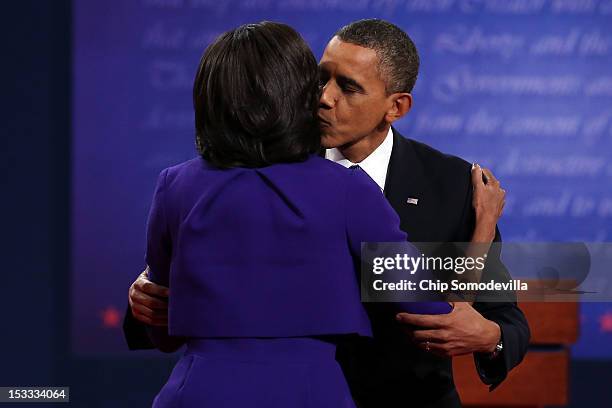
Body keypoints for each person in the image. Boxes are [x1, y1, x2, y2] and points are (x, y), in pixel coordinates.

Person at [125, 19, 527, 408]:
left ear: (396, 106)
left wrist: (491, 337)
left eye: (348, 87)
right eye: (320, 78)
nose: (324, 97)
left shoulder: (455, 185)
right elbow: (160, 303)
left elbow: (501, 317)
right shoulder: (328, 183)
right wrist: (143, 291)